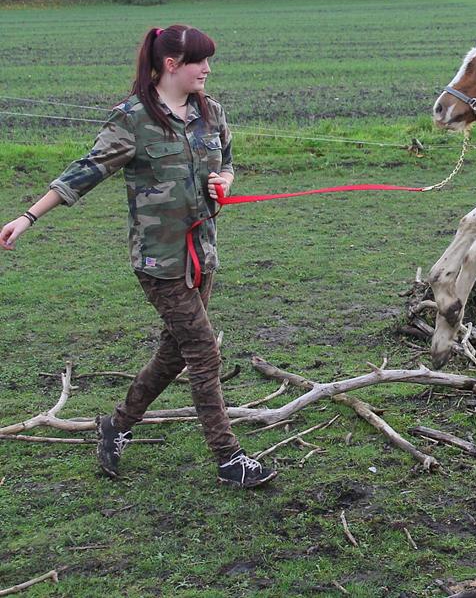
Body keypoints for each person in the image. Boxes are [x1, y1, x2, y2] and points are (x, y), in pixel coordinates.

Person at [1, 25, 275, 488]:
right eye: (200, 62)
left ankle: (118, 424)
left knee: (175, 354)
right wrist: (28, 217)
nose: (208, 70)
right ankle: (229, 459)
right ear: (172, 65)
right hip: (159, 261)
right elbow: (84, 172)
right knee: (204, 353)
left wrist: (225, 182)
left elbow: (227, 162)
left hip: (202, 253)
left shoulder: (211, 113)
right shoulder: (132, 119)